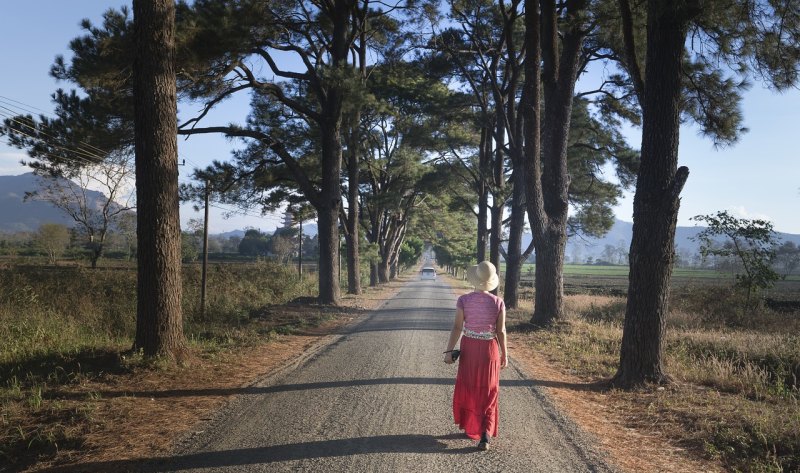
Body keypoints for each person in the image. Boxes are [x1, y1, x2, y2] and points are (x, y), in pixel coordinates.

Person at [443, 260, 508, 451]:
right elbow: (501, 331)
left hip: (469, 348)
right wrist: (505, 354)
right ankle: (485, 434)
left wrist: (449, 351)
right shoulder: (498, 302)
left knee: (470, 387)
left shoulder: (464, 300)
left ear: (474, 279)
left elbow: (457, 327)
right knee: (489, 390)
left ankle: (472, 425)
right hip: (490, 350)